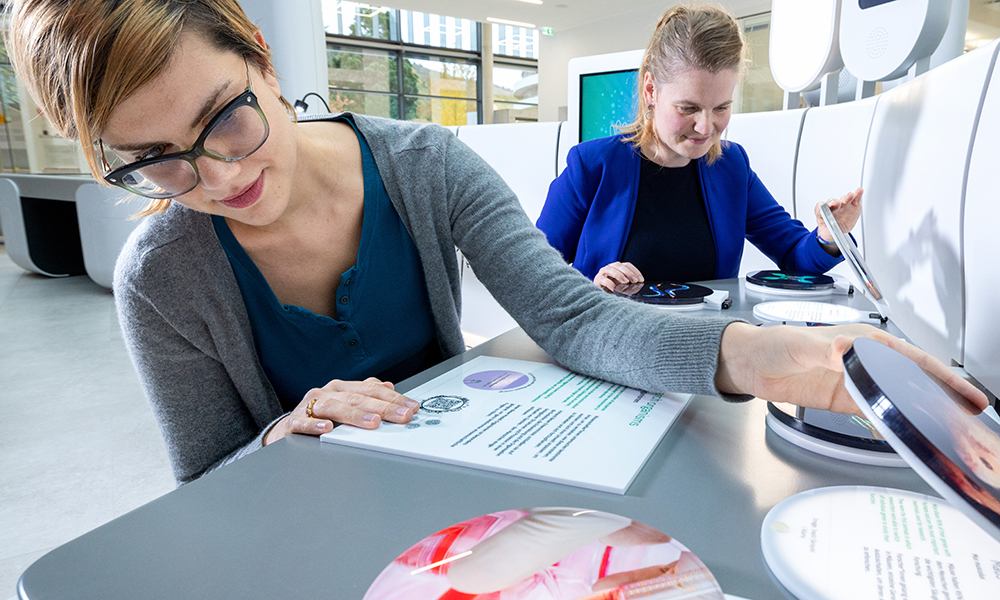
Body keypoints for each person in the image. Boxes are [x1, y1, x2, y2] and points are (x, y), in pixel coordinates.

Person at [5, 0, 984, 486]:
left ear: (259, 57)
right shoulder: (160, 275)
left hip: (466, 487)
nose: (217, 178)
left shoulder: (426, 165)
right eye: (156, 163)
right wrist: (276, 436)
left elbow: (568, 314)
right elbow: (207, 483)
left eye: (225, 119)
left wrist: (787, 360)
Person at [536, 5, 863, 292]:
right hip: (614, 346)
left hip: (707, 347)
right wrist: (591, 288)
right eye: (688, 109)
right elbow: (532, 277)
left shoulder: (732, 167)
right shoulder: (592, 166)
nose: (707, 128)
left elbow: (794, 256)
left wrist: (827, 236)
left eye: (721, 108)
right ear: (651, 90)